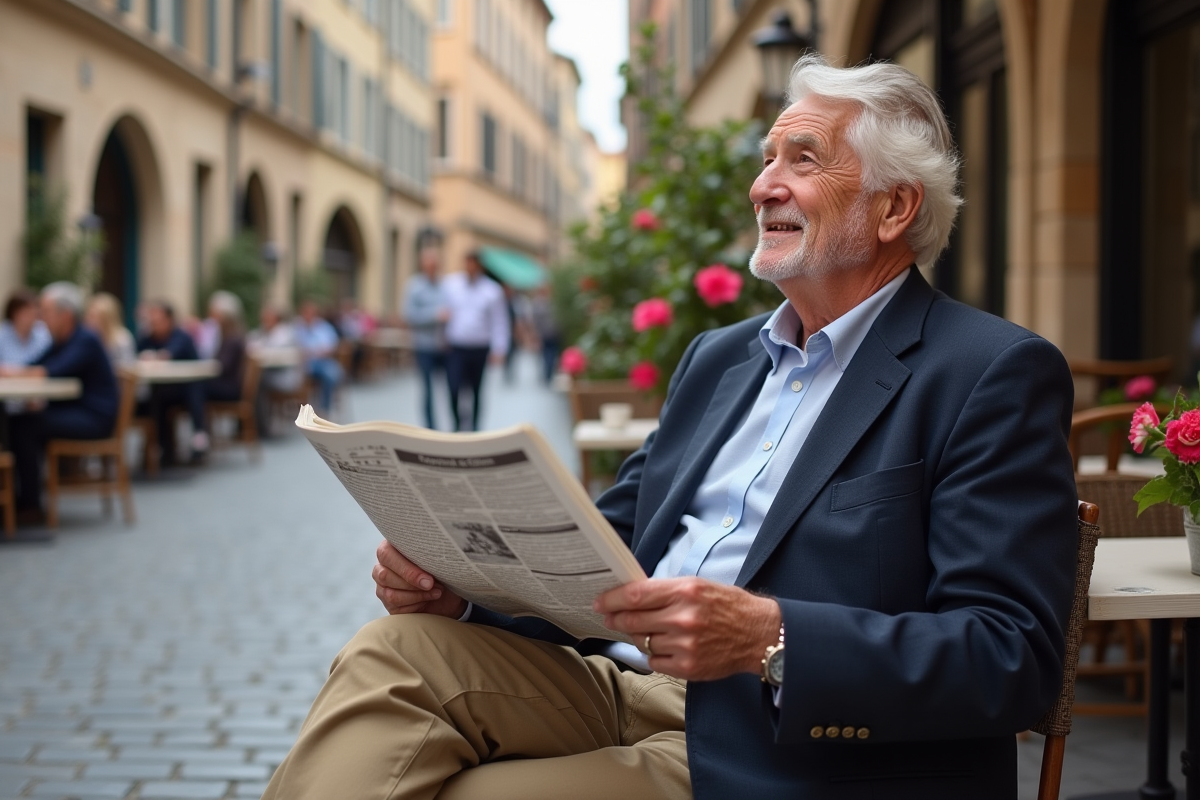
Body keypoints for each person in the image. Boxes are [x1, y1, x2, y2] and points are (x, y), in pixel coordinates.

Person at [263, 57, 1078, 800]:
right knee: (392, 651)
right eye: (767, 158)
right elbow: (607, 546)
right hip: (618, 685)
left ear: (895, 206)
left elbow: (1012, 659)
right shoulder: (721, 359)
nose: (764, 185)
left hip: (790, 746)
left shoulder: (988, 372)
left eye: (803, 159)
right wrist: (463, 593)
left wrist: (773, 638)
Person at [3, 282, 117, 523]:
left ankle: (29, 507)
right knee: (18, 422)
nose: (41, 319)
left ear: (65, 315)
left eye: (45, 312)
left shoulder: (85, 340)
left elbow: (46, 372)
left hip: (94, 418)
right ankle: (18, 502)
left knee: (25, 427)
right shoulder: (60, 341)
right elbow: (33, 366)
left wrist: (9, 372)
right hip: (74, 410)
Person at [441, 251, 510, 431]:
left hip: (480, 347)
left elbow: (499, 321)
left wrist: (499, 348)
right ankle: (457, 423)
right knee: (454, 388)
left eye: (473, 264)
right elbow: (443, 311)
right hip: (457, 347)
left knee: (476, 391)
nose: (470, 268)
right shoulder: (451, 285)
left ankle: (475, 428)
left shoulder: (492, 290)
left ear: (479, 266)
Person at [136, 300, 208, 464]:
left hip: (185, 390)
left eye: (157, 318)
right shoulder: (147, 338)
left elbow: (169, 354)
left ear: (169, 320)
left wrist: (153, 357)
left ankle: (199, 435)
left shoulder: (181, 336)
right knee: (155, 399)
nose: (152, 322)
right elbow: (137, 355)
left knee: (193, 389)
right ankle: (162, 448)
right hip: (162, 390)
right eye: (151, 319)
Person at [403, 247, 449, 429]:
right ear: (423, 265)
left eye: (435, 263)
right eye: (429, 263)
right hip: (424, 347)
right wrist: (435, 316)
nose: (433, 266)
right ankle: (430, 427)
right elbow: (409, 316)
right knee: (428, 390)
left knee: (451, 388)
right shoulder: (414, 286)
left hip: (445, 346)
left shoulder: (445, 286)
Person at [294, 299, 343, 416]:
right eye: (305, 313)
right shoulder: (297, 328)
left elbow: (332, 347)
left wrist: (317, 352)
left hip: (322, 362)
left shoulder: (324, 328)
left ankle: (324, 409)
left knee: (330, 374)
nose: (307, 316)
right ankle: (301, 411)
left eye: (310, 313)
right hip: (303, 364)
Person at [204, 291, 246, 405]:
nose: (213, 318)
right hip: (229, 385)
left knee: (196, 388)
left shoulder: (232, 338)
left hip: (230, 387)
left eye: (216, 315)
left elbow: (223, 366)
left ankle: (200, 422)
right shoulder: (229, 335)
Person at [83, 292, 136, 369]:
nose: (87, 320)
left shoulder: (122, 339)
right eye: (88, 315)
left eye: (93, 316)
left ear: (107, 319)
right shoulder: (88, 339)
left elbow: (127, 369)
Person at [0, 289, 51, 367]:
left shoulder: (44, 333)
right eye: (27, 312)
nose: (32, 316)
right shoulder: (2, 334)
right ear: (14, 313)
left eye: (34, 312)